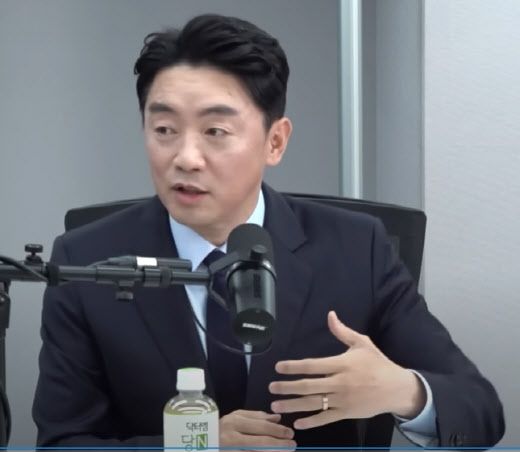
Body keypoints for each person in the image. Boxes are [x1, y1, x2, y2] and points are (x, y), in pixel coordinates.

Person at [32, 13, 504, 449]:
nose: (186, 157)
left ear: (274, 141)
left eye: (215, 131)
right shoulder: (86, 261)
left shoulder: (358, 250)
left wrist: (403, 391)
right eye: (164, 130)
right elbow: (61, 442)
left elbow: (480, 411)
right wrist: (193, 444)